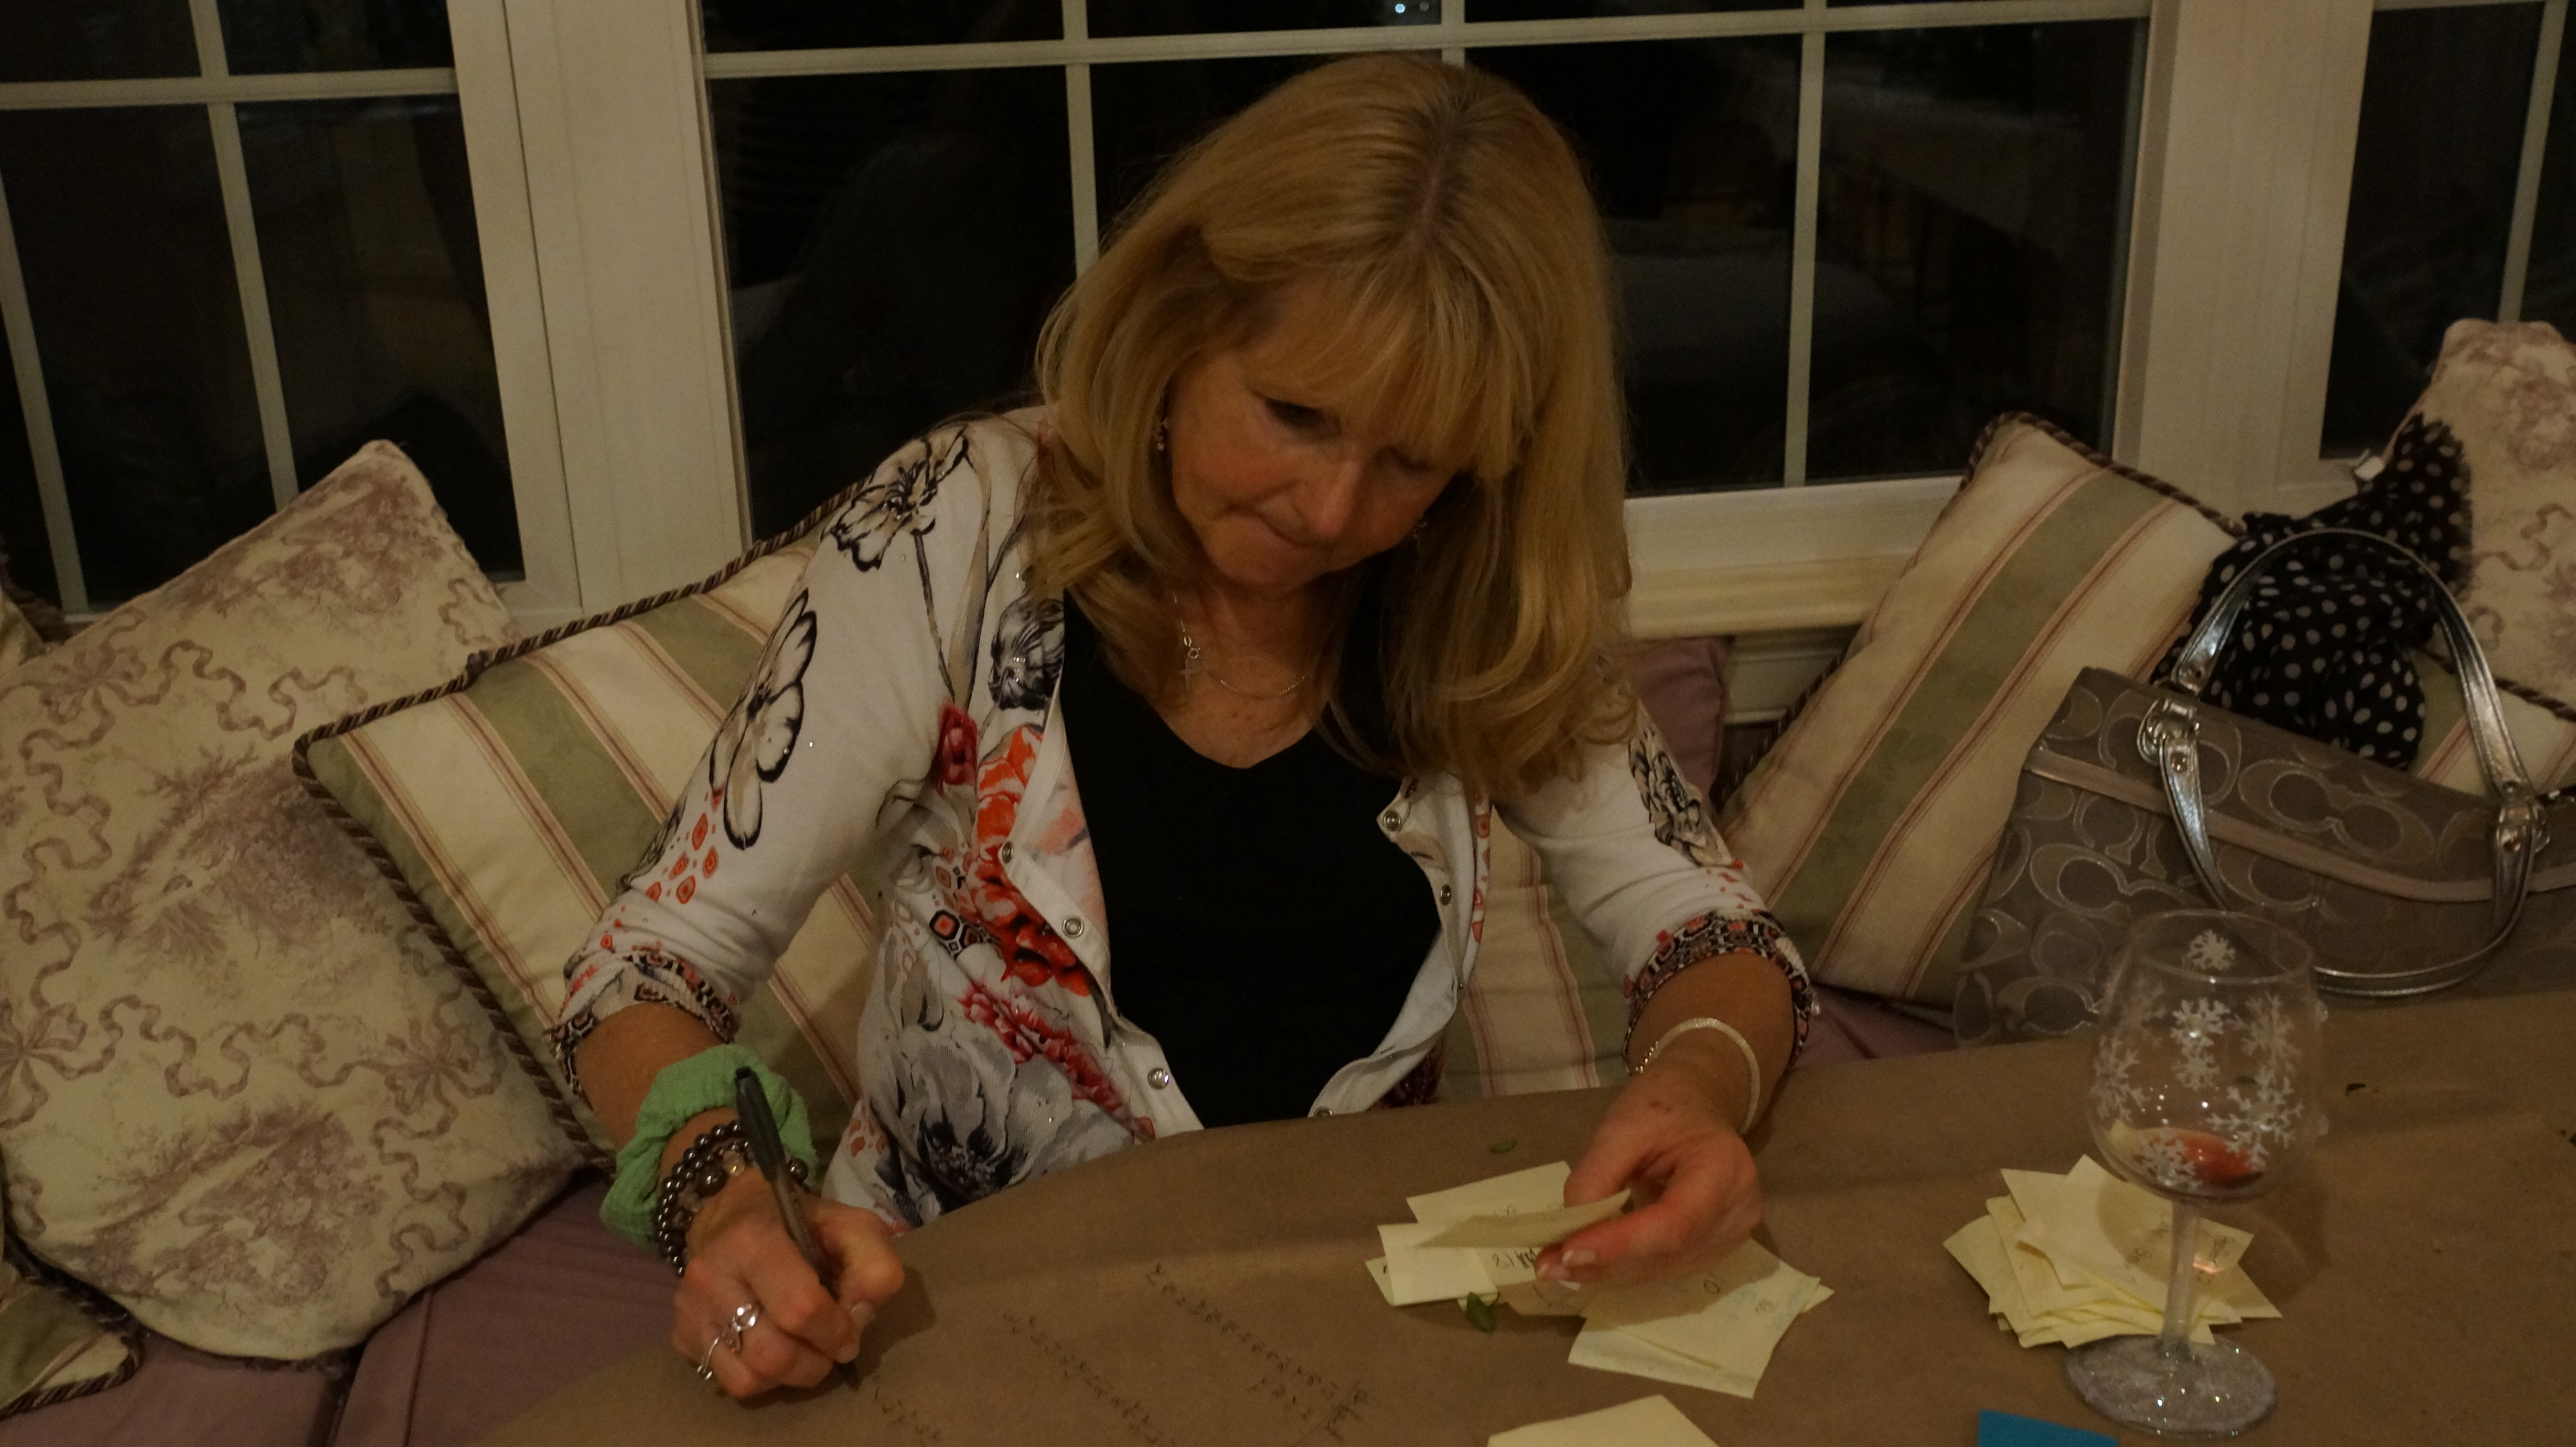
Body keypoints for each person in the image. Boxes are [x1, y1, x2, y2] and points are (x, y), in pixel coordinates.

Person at [555, 53, 1817, 1400]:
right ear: (1173, 329)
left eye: (1409, 460)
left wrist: (1698, 1083)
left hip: (1345, 1323)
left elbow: (1709, 929)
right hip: (947, 1322)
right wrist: (727, 1201)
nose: (1331, 513)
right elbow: (642, 972)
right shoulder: (959, 528)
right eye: (1294, 414)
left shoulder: (1472, 587)